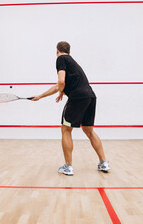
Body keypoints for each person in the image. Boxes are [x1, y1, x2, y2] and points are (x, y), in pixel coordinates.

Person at [32, 41, 110, 176]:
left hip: (77, 98)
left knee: (66, 129)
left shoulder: (61, 59)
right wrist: (42, 95)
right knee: (89, 130)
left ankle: (68, 166)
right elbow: (59, 86)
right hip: (90, 97)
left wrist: (61, 89)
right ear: (69, 51)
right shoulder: (72, 62)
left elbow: (60, 82)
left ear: (57, 51)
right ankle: (104, 162)